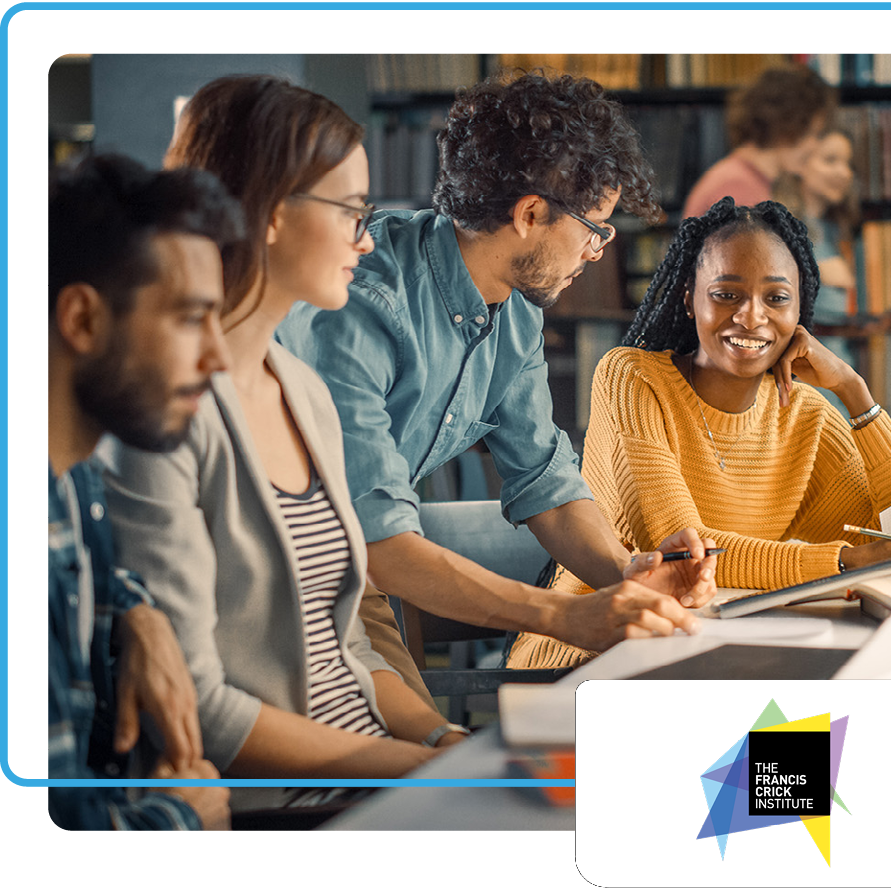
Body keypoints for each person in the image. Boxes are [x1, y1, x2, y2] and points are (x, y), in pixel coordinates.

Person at [99, 76, 469, 814]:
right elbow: (201, 704)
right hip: (290, 810)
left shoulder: (304, 390)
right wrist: (412, 770)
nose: (367, 238)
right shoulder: (164, 414)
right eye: (353, 212)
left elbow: (347, 650)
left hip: (375, 781)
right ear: (270, 213)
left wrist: (439, 740)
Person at [276, 71, 717, 661]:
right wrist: (565, 616)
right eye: (594, 228)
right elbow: (378, 541)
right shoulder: (363, 303)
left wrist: (630, 574)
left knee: (445, 746)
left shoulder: (515, 314)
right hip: (275, 577)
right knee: (431, 750)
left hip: (356, 576)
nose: (597, 250)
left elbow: (547, 484)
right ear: (530, 214)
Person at [508, 197, 891, 669]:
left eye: (777, 298)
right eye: (726, 294)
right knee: (800, 722)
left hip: (718, 648)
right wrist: (844, 563)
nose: (751, 316)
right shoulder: (633, 380)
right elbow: (688, 552)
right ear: (689, 297)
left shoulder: (807, 414)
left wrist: (854, 389)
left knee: (836, 718)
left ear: (800, 309)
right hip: (593, 652)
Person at [48, 153, 239, 829]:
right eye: (191, 319)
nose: (217, 360)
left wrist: (136, 611)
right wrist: (181, 819)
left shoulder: (73, 483)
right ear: (83, 321)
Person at [682, 66, 835, 219]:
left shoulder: (746, 178)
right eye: (811, 133)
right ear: (785, 124)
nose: (814, 145)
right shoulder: (737, 186)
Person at [773, 128, 859, 325]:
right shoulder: (780, 227)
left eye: (849, 164)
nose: (844, 173)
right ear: (800, 164)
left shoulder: (837, 230)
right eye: (830, 160)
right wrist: (816, 271)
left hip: (838, 351)